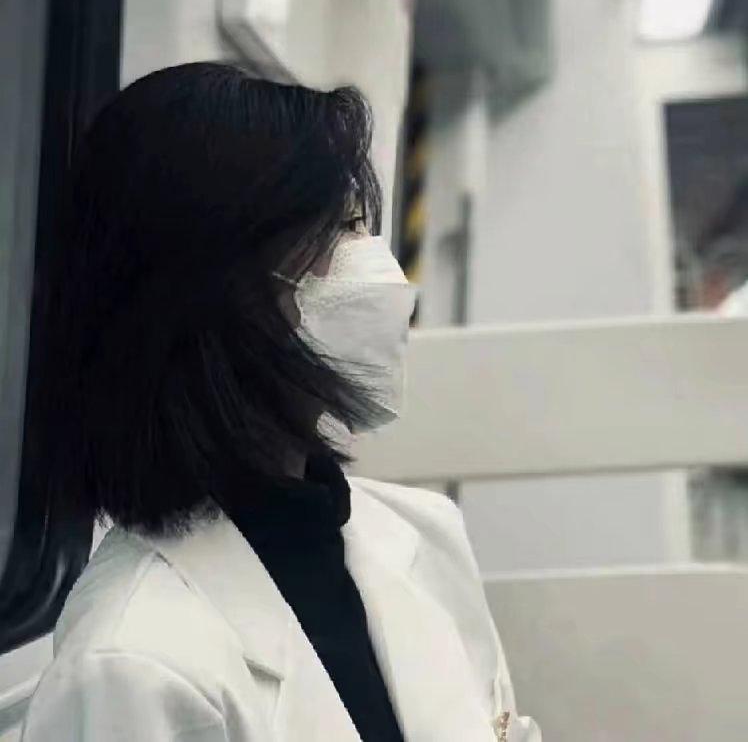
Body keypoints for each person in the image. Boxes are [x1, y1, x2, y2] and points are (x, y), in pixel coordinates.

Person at [20, 63, 540, 742]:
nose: (378, 270)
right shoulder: (131, 664)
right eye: (337, 231)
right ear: (212, 289)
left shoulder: (423, 532)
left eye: (360, 224)